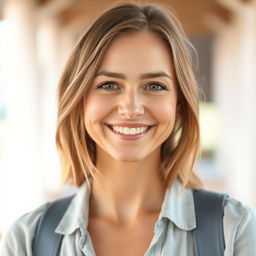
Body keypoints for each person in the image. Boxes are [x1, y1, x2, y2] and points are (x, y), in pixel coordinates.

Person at [1, 3, 256, 256]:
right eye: (109, 85)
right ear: (80, 100)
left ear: (178, 104)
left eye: (155, 86)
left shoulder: (233, 231)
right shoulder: (26, 240)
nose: (131, 108)